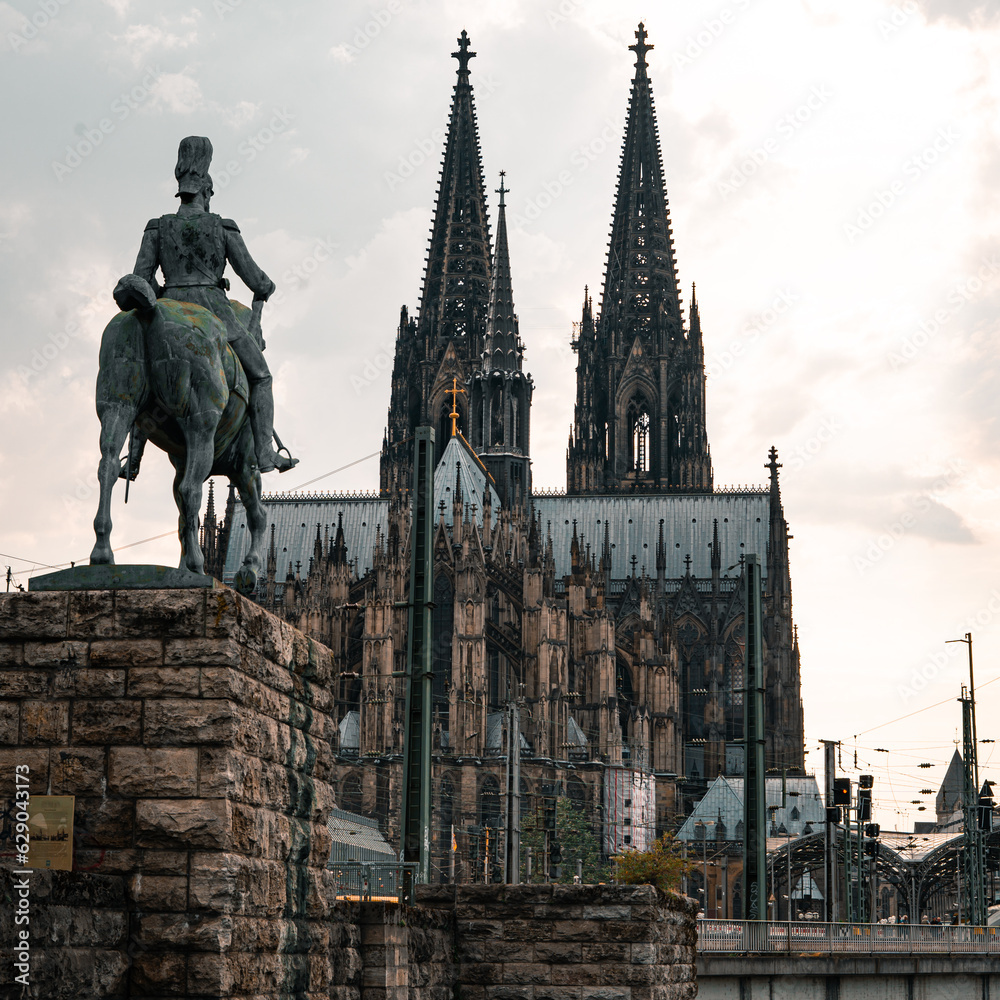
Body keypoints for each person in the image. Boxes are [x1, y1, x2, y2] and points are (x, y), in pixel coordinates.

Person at [131, 136, 297, 474]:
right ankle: (265, 452)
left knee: (138, 371)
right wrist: (265, 289)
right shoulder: (222, 227)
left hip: (166, 308)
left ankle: (132, 457)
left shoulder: (157, 228)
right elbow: (257, 280)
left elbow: (141, 278)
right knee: (262, 377)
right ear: (206, 191)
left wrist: (165, 292)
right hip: (215, 314)